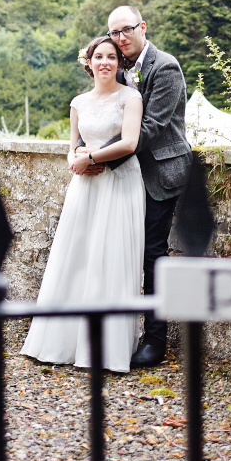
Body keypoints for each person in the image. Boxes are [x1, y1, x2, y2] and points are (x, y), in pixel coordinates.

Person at [20, 36, 146, 373]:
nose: (105, 62)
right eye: (98, 56)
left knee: (111, 256)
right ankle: (64, 341)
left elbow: (130, 143)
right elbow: (71, 145)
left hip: (119, 182)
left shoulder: (131, 98)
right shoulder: (78, 102)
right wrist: (75, 159)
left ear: (120, 63)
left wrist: (90, 156)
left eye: (111, 57)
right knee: (76, 256)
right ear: (88, 63)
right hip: (85, 183)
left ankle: (106, 348)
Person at [77, 6, 190, 368]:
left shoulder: (165, 67)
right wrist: (84, 147)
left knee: (152, 255)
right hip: (126, 175)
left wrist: (98, 158)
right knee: (118, 250)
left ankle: (155, 341)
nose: (121, 38)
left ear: (142, 27)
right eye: (114, 34)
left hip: (160, 173)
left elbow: (149, 130)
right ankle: (114, 333)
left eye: (126, 30)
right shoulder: (121, 68)